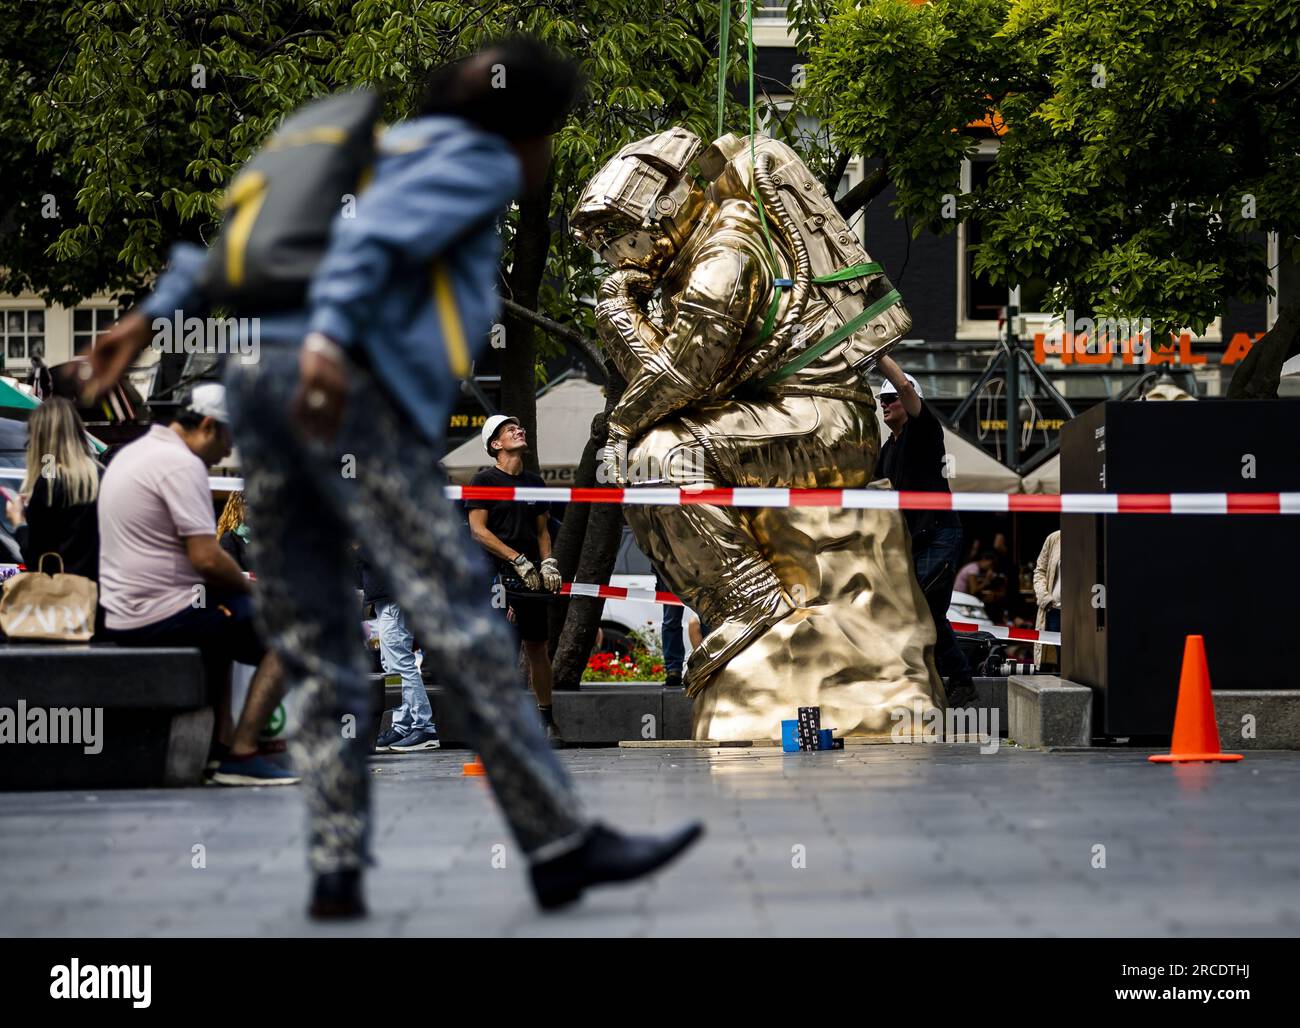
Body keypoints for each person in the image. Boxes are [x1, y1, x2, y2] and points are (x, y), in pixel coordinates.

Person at [88, 38, 701, 920]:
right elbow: (372, 247)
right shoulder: (474, 162)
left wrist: (146, 318)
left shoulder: (372, 154)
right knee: (461, 620)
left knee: (321, 634)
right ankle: (560, 846)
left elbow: (243, 240)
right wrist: (335, 343)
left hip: (267, 391)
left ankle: (337, 867)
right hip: (346, 396)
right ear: (528, 129)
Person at [96, 384, 294, 786]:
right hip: (157, 614)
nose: (227, 453)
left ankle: (217, 746)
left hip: (122, 610)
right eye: (228, 440)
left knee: (222, 619)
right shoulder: (181, 465)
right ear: (208, 426)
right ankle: (243, 752)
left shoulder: (135, 452)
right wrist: (255, 589)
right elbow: (205, 556)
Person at [874, 356, 977, 708]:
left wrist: (876, 354)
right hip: (913, 541)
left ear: (910, 400)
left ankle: (959, 678)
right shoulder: (887, 449)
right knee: (928, 613)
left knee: (918, 605)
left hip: (939, 534)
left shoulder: (925, 430)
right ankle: (953, 680)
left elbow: (903, 384)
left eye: (890, 399)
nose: (884, 403)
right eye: (881, 400)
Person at [467, 414, 564, 744]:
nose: (518, 431)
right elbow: (478, 531)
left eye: (518, 427)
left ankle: (547, 721)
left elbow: (542, 531)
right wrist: (516, 559)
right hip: (495, 577)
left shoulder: (535, 483)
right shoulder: (483, 482)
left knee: (538, 648)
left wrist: (547, 563)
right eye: (510, 430)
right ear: (496, 445)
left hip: (530, 580)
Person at [4, 397, 102, 586]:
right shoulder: (101, 475)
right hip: (103, 597)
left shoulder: (48, 484)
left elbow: (38, 560)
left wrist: (19, 522)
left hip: (66, 602)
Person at [360, 549, 440, 752]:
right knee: (391, 666)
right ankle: (402, 725)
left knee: (400, 663)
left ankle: (424, 727)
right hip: (383, 595)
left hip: (394, 592)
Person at [1032, 529, 1061, 668]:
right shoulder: (1055, 538)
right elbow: (1039, 571)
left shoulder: (1090, 539)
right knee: (1055, 663)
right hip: (1054, 610)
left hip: (1081, 613)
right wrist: (1045, 598)